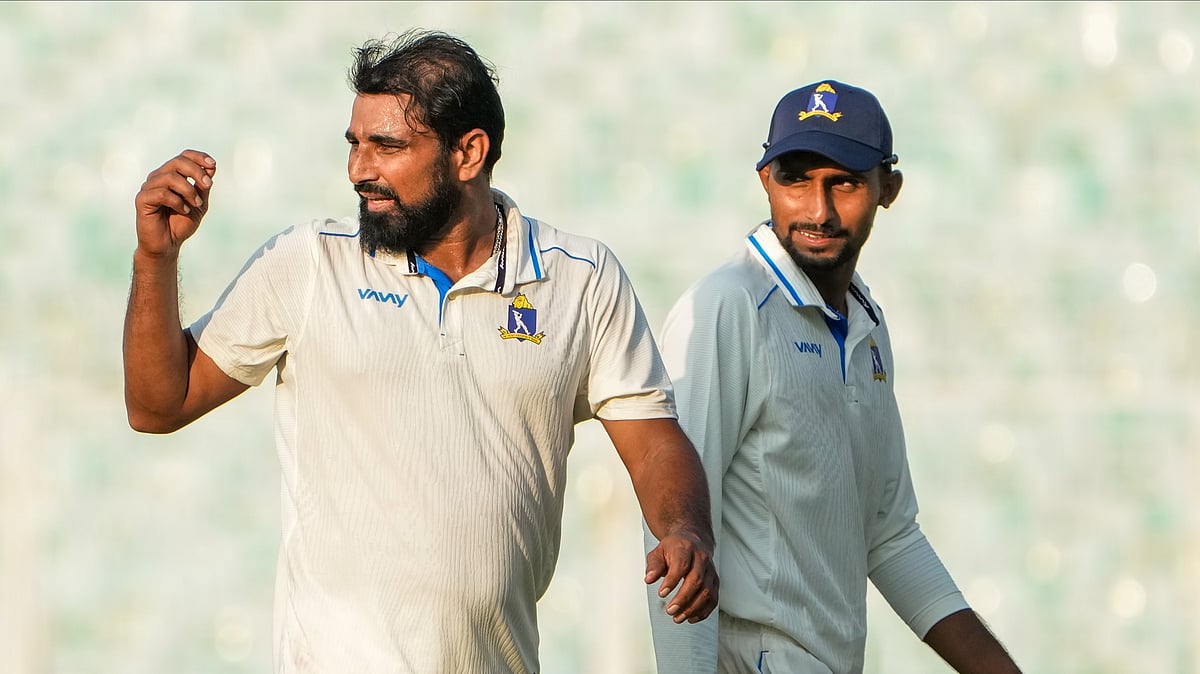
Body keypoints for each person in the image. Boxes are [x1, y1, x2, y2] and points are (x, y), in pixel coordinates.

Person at [123, 29, 717, 674]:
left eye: (387, 146)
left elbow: (653, 442)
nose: (359, 170)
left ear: (469, 153)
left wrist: (685, 530)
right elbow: (159, 405)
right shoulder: (310, 263)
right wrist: (157, 257)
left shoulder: (581, 279)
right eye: (354, 144)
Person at [643, 80, 1022, 673]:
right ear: (765, 180)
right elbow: (672, 536)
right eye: (795, 179)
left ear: (888, 189)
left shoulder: (865, 321)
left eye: (843, 183)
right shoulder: (728, 306)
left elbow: (890, 536)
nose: (817, 210)